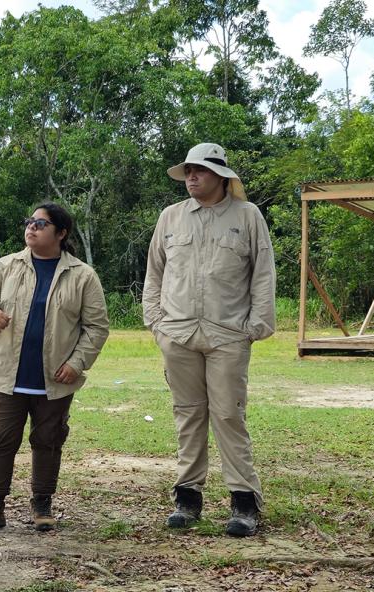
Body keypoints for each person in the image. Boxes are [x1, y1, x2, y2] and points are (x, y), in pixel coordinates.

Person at [142, 142, 275, 537]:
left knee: (229, 415)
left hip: (228, 334)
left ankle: (244, 502)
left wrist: (256, 325)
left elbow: (263, 272)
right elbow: (154, 271)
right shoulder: (171, 217)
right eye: (187, 172)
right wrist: (155, 321)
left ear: (221, 176)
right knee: (187, 413)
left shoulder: (247, 216)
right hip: (178, 333)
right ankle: (187, 497)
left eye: (199, 171)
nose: (191, 178)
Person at [0, 202, 109, 533]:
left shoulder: (82, 275)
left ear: (61, 233)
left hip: (55, 379)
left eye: (40, 224)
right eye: (29, 221)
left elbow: (97, 327)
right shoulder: (7, 265)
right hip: (7, 376)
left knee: (48, 441)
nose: (31, 227)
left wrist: (77, 363)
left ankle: (42, 503)